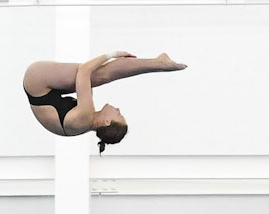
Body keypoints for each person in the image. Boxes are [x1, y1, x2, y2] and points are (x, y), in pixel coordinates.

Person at [22, 52, 185, 148]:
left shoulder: (85, 117)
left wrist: (112, 55)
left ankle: (159, 63)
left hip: (37, 79)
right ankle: (157, 63)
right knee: (99, 76)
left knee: (100, 74)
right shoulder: (86, 121)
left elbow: (84, 70)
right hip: (46, 90)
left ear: (107, 122)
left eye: (119, 116)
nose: (118, 110)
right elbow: (86, 83)